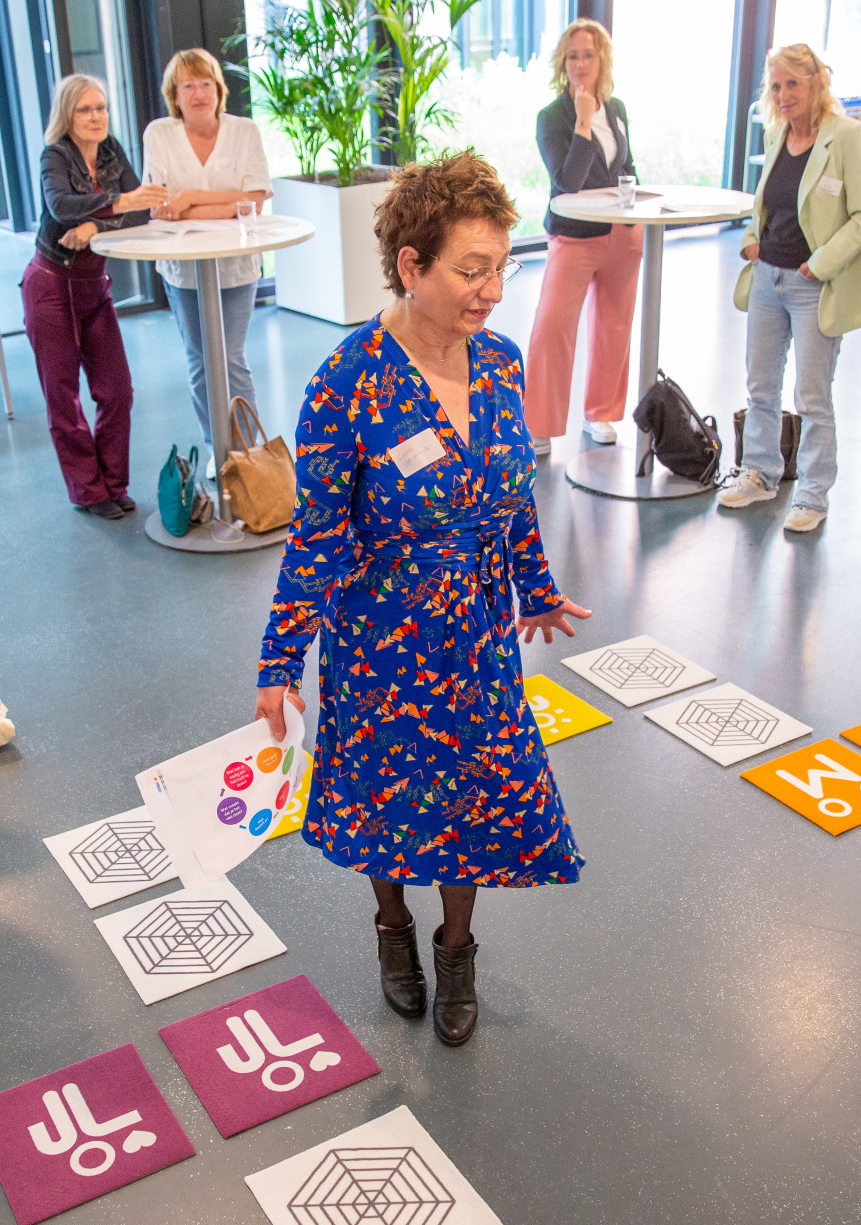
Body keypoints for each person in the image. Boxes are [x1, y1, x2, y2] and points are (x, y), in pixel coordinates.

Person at [253, 152, 592, 1047]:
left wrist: (537, 586)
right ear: (412, 265)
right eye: (470, 270)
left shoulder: (502, 367)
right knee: (386, 799)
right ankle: (391, 929)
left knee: (474, 795)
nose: (492, 290)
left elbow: (510, 494)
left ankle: (455, 948)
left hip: (476, 637)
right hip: (380, 637)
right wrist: (280, 660)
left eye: (501, 266)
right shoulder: (347, 379)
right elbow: (317, 532)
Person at [716, 44, 861, 531]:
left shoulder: (848, 137)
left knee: (812, 397)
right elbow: (765, 206)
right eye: (776, 86)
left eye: (793, 84)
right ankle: (761, 474)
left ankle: (811, 495)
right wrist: (751, 241)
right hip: (768, 276)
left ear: (816, 83)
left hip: (814, 285)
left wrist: (819, 265)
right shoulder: (777, 134)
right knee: (761, 387)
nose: (783, 95)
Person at [25, 74, 164, 519]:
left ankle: (113, 483)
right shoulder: (55, 155)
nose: (95, 117)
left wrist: (94, 227)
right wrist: (119, 203)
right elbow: (59, 205)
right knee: (63, 398)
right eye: (85, 109)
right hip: (50, 287)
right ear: (67, 115)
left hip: (93, 287)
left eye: (101, 107)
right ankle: (88, 492)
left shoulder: (110, 150)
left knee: (117, 390)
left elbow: (142, 207)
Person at [142, 48, 273, 450]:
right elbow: (161, 207)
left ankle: (249, 457)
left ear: (218, 89)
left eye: (206, 84)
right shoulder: (159, 134)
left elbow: (256, 199)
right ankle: (219, 450)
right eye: (188, 86)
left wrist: (192, 198)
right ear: (174, 95)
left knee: (231, 357)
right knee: (200, 361)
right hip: (183, 266)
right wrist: (223, 204)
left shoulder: (244, 130)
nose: (199, 93)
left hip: (236, 263)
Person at [525, 18, 641, 459]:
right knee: (553, 327)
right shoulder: (552, 117)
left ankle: (601, 414)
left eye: (588, 55)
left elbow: (627, 168)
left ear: (601, 60)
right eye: (572, 56)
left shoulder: (619, 109)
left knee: (614, 328)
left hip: (623, 236)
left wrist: (638, 211)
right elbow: (568, 181)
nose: (579, 63)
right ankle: (539, 423)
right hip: (573, 238)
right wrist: (583, 121)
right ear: (562, 62)